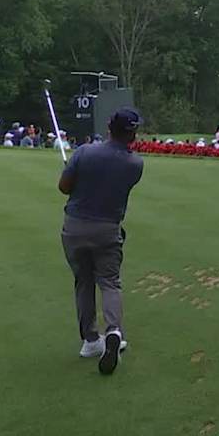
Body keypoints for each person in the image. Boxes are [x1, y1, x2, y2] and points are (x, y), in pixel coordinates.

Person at [57, 107, 146, 376]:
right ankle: (114, 332)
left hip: (74, 226)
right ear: (133, 133)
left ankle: (90, 340)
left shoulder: (85, 152)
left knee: (83, 282)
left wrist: (72, 169)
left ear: (109, 127)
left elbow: (64, 187)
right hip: (107, 229)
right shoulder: (135, 164)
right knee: (109, 282)